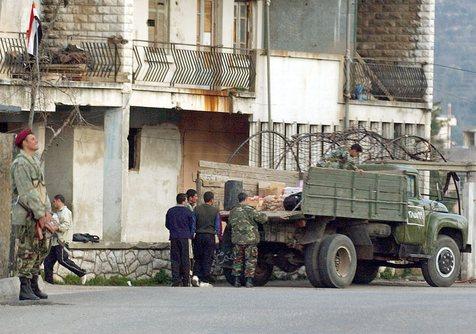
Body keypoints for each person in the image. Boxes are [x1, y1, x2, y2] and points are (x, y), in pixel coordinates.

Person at [11, 128, 55, 300]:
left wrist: (48, 210)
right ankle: (25, 287)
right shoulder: (21, 163)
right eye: (32, 138)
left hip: (40, 214)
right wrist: (39, 214)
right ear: (24, 143)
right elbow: (27, 192)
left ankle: (34, 283)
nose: (35, 140)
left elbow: (42, 189)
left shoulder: (35, 160)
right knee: (27, 250)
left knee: (40, 249)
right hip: (28, 215)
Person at [43, 194, 86, 284]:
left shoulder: (65, 212)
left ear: (59, 201)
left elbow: (66, 226)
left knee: (62, 260)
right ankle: (48, 282)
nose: (53, 203)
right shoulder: (56, 213)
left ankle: (81, 273)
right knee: (48, 261)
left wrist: (55, 228)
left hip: (62, 241)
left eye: (54, 201)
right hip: (55, 241)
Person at [228, 192, 267, 288]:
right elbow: (263, 219)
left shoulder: (233, 211)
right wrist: (259, 210)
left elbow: (230, 224)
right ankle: (248, 281)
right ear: (246, 199)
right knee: (250, 260)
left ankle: (236, 281)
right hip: (250, 240)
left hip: (237, 239)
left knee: (237, 260)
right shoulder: (250, 210)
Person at [165, 193, 195, 287]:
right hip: (185, 237)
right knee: (185, 259)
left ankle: (176, 280)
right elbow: (192, 225)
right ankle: (186, 280)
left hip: (174, 237)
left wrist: (173, 230)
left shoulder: (170, 211)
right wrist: (190, 234)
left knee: (175, 259)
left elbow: (167, 224)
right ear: (184, 200)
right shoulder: (188, 211)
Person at [191, 191, 221, 287]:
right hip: (209, 236)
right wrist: (217, 235)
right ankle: (204, 279)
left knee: (198, 257)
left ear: (204, 199)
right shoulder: (215, 210)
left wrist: (192, 235)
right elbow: (217, 226)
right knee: (207, 258)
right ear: (212, 200)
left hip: (199, 236)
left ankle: (195, 276)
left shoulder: (196, 209)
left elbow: (193, 224)